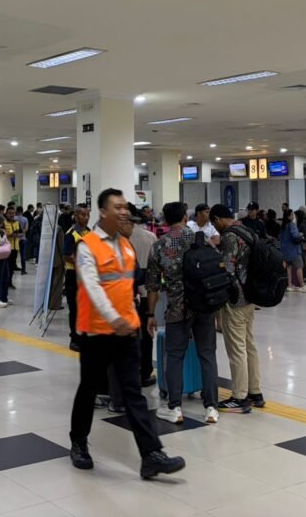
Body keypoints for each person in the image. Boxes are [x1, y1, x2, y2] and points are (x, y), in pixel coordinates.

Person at [68, 188, 185, 480]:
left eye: (124, 207)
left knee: (134, 393)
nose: (123, 211)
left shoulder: (127, 245)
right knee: (89, 389)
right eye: (117, 207)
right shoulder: (87, 246)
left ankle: (151, 455)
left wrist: (141, 317)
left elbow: (131, 288)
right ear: (103, 212)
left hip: (126, 331)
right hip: (96, 332)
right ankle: (79, 442)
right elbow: (92, 287)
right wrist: (113, 318)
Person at [146, 201, 220, 425]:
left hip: (177, 309)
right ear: (185, 217)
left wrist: (151, 315)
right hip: (204, 307)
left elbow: (152, 286)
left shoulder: (159, 246)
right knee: (207, 354)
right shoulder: (202, 240)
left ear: (166, 221)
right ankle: (211, 409)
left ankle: (175, 407)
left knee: (174, 356)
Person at [210, 205, 263, 413]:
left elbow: (227, 269)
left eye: (215, 223)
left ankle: (239, 397)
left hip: (235, 300)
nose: (215, 227)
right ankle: (255, 392)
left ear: (217, 219)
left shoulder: (229, 237)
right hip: (251, 298)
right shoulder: (247, 231)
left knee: (236, 349)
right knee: (249, 345)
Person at [125, 205, 158, 388]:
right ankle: (145, 372)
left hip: (129, 294)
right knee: (146, 335)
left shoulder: (118, 240)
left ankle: (129, 373)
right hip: (147, 292)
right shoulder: (150, 237)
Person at [62, 204, 91, 351]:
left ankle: (84, 336)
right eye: (82, 215)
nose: (85, 217)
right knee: (74, 309)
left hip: (87, 276)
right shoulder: (71, 234)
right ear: (75, 215)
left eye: (87, 214)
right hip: (74, 276)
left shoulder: (89, 232)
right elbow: (67, 255)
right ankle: (74, 339)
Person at [280, 208, 306, 293]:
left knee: (289, 268)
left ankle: (289, 285)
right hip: (294, 250)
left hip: (285, 250)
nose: (293, 216)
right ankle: (302, 285)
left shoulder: (283, 226)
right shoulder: (291, 224)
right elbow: (295, 236)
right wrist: (300, 235)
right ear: (289, 216)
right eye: (292, 214)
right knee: (299, 267)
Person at [4, 205, 22, 282]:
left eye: (13, 213)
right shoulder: (3, 223)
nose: (12, 215)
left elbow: (21, 233)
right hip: (7, 248)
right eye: (10, 213)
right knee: (6, 266)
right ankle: (5, 282)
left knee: (12, 266)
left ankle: (10, 282)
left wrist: (18, 235)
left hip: (15, 247)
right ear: (6, 213)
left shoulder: (17, 223)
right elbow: (1, 235)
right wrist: (10, 235)